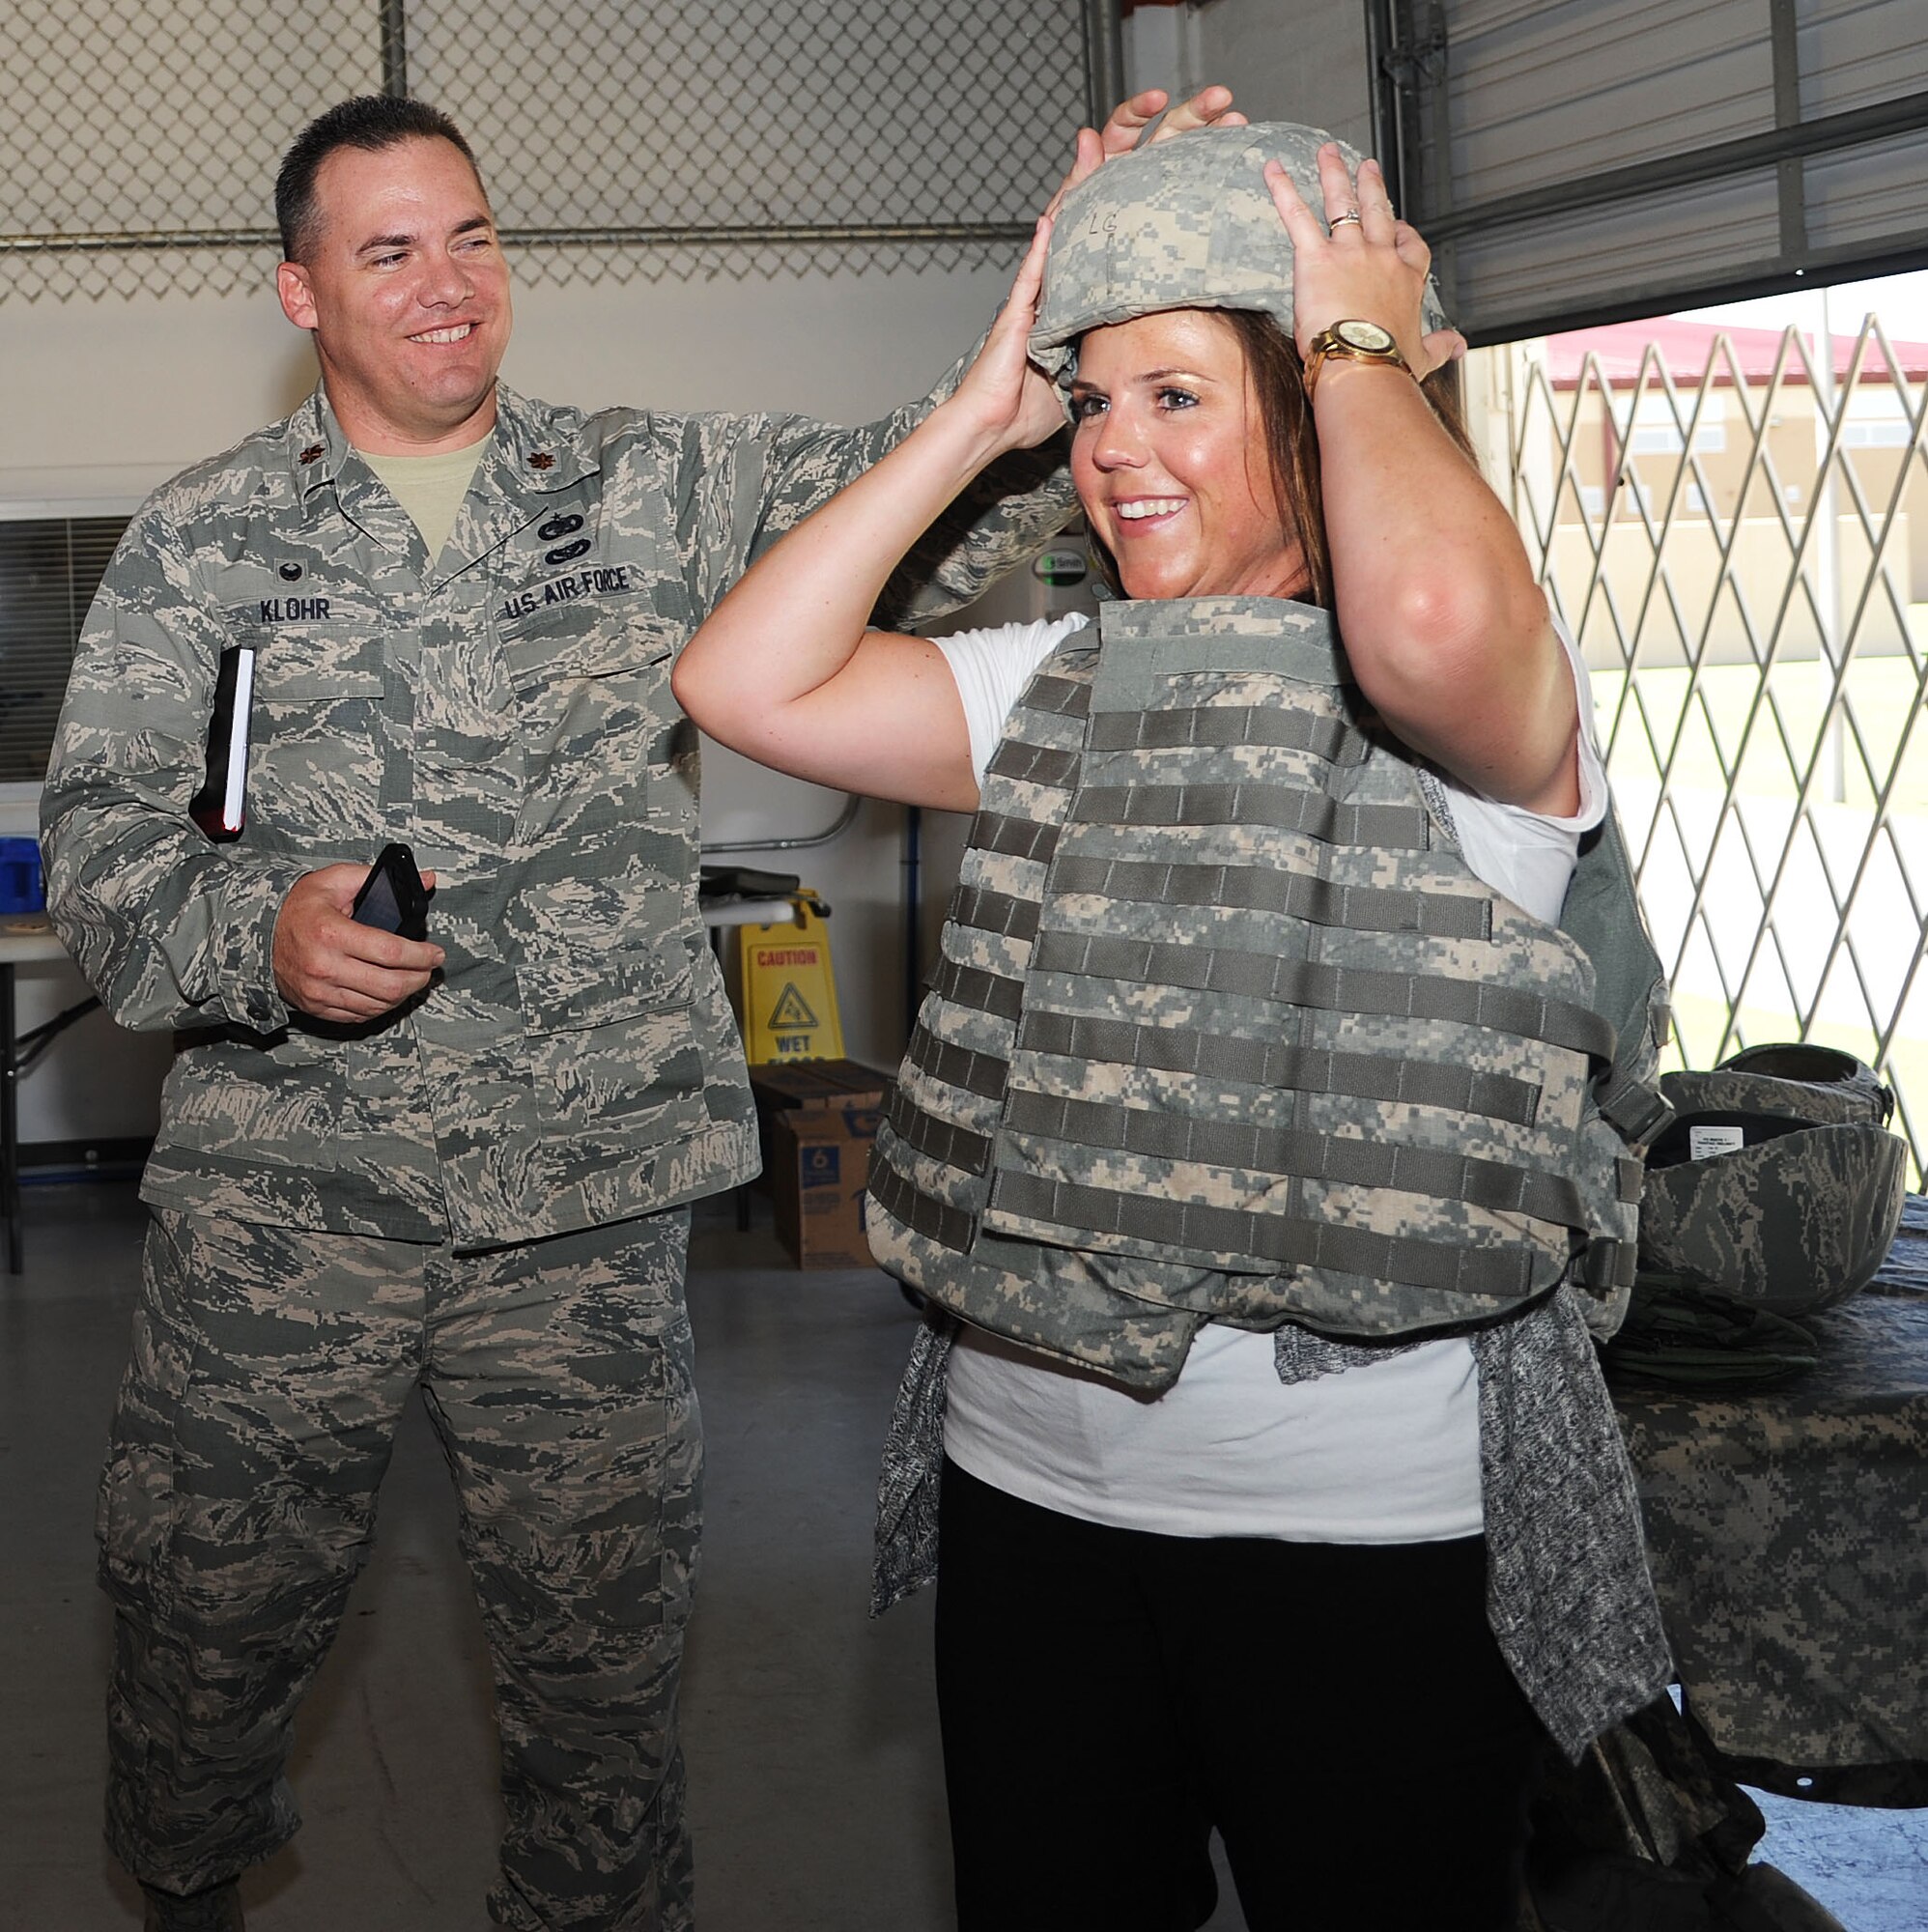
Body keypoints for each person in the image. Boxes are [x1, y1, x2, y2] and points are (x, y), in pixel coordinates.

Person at [41, 86, 1248, 1932]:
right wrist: (251, 935)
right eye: (390, 252)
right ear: (299, 295)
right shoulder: (200, 548)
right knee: (200, 1629)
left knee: (601, 1683)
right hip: (288, 1217)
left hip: (583, 1213)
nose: (449, 286)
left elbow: (922, 482)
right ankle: (187, 1891)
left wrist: (1075, 278)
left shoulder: (649, 485)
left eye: (474, 237)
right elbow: (102, 856)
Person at [671, 124, 1674, 1932]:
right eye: (1095, 394)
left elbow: (1429, 603)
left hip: (1356, 1532)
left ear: (1321, 396)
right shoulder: (1059, 674)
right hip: (1031, 1490)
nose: (1115, 447)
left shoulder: (1475, 706)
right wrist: (988, 408)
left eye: (1181, 395)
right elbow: (744, 681)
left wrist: (1363, 345)